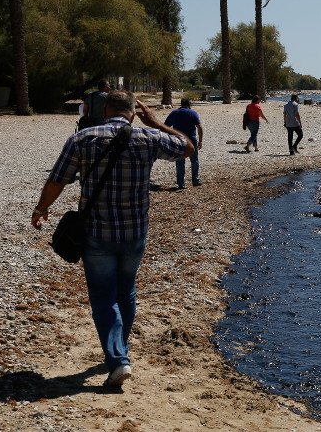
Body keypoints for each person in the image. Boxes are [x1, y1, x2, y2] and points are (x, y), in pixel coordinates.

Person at [31, 90, 193, 389]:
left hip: (97, 233)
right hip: (135, 232)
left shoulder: (83, 138)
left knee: (104, 296)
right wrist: (157, 122)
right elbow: (187, 148)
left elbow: (57, 180)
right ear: (135, 111)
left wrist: (42, 209)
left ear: (105, 110)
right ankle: (121, 351)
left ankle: (118, 360)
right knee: (126, 290)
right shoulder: (149, 138)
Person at [165, 98, 203, 188]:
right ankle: (195, 180)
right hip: (191, 140)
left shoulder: (174, 113)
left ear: (181, 104)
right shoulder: (193, 113)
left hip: (178, 140)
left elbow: (166, 126)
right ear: (189, 104)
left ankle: (181, 184)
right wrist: (200, 140)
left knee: (180, 162)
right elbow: (199, 127)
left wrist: (169, 138)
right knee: (194, 160)